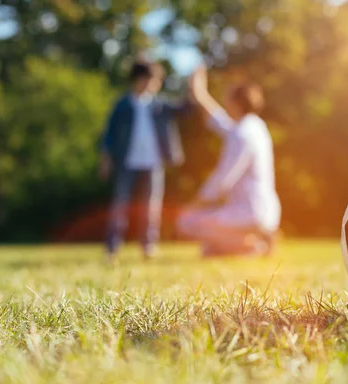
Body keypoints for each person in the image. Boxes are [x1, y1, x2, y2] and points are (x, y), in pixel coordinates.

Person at [178, 67, 281, 257]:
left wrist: (196, 203)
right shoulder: (255, 126)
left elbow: (222, 181)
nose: (225, 103)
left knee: (186, 222)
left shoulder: (242, 134)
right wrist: (200, 93)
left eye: (227, 98)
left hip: (249, 213)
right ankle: (235, 243)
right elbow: (219, 121)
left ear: (236, 103)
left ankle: (254, 244)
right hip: (264, 211)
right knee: (208, 248)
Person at [100, 60, 190, 261]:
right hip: (127, 162)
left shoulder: (159, 104)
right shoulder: (123, 104)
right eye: (152, 79)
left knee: (151, 206)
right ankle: (112, 247)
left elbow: (185, 109)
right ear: (139, 79)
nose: (155, 84)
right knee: (120, 205)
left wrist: (194, 87)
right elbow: (109, 134)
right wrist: (105, 160)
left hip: (154, 163)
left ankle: (148, 246)